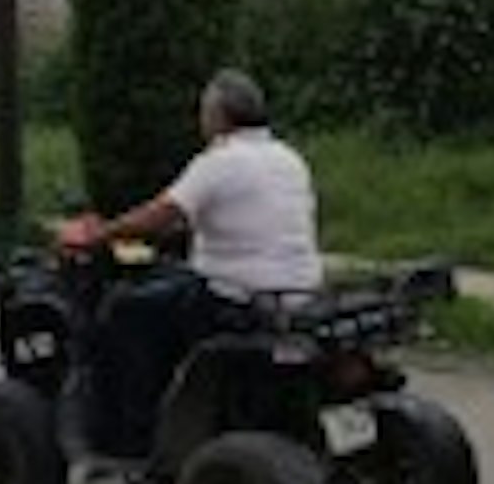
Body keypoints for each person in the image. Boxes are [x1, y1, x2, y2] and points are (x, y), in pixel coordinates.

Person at [56, 69, 321, 453]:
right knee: (172, 287)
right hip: (297, 293)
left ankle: (136, 433)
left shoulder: (219, 161)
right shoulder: (287, 157)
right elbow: (221, 217)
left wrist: (100, 234)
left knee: (127, 309)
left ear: (217, 116)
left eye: (203, 112)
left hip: (234, 299)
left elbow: (160, 213)